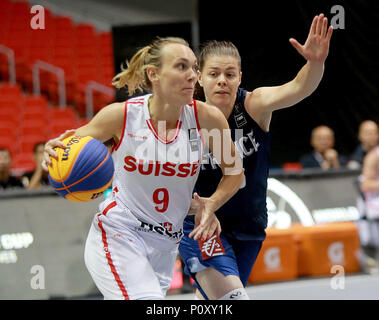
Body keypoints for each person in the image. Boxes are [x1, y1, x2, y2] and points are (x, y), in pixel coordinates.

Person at [42, 37, 244, 300]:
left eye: (194, 68)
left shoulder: (208, 119)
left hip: (165, 246)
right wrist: (52, 149)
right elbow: (66, 148)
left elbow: (234, 172)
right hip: (120, 233)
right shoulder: (121, 116)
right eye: (181, 66)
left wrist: (212, 202)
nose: (192, 76)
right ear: (154, 74)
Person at [179, 13, 333, 300]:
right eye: (214, 74)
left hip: (249, 225)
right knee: (232, 297)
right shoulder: (185, 117)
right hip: (201, 223)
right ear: (200, 77)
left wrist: (315, 63)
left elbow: (298, 88)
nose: (222, 81)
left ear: (240, 76)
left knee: (215, 299)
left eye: (229, 74)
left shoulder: (253, 105)